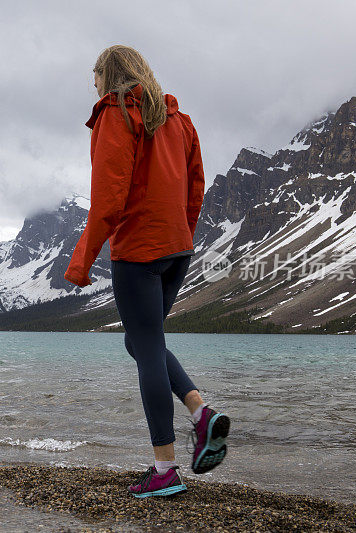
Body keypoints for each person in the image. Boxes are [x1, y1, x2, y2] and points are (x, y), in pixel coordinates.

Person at [64, 45, 230, 498]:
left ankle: (165, 470)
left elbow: (109, 196)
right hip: (177, 247)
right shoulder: (179, 120)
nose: (93, 83)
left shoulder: (116, 113)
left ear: (109, 75)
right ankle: (201, 414)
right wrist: (183, 234)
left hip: (139, 249)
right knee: (142, 341)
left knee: (147, 348)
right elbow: (196, 185)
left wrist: (82, 262)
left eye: (95, 75)